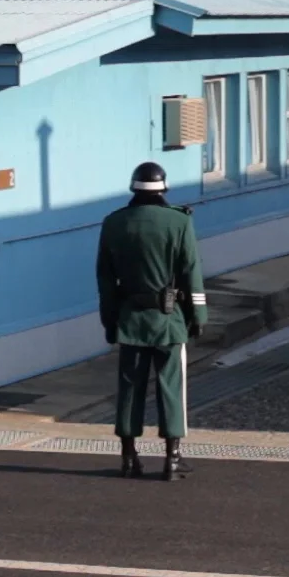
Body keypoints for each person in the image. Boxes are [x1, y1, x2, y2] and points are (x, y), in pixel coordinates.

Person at [96, 161, 206, 481]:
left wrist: (109, 321)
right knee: (172, 386)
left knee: (130, 387)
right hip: (169, 318)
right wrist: (198, 315)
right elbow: (191, 273)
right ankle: (172, 458)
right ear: (163, 190)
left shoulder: (113, 223)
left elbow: (105, 280)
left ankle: (129, 457)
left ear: (133, 188)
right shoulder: (178, 222)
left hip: (130, 318)